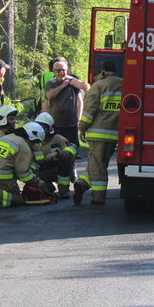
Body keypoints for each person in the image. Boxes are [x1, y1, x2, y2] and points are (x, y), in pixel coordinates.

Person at [73, 60, 123, 205]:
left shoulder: (98, 86)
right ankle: (82, 184)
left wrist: (82, 128)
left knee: (98, 166)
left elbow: (89, 111)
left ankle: (98, 198)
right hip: (115, 133)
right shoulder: (124, 84)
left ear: (102, 71)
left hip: (98, 134)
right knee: (99, 164)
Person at [0, 122, 52, 209]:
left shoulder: (9, 137)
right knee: (16, 199)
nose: (35, 145)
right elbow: (23, 174)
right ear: (32, 137)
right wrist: (37, 182)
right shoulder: (24, 145)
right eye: (36, 142)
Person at [44, 59, 89, 148]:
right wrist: (63, 85)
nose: (61, 73)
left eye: (63, 70)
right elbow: (49, 95)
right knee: (57, 148)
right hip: (56, 124)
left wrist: (89, 93)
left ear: (67, 70)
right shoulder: (51, 83)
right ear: (54, 71)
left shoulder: (72, 81)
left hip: (71, 125)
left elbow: (84, 85)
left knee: (71, 148)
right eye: (58, 70)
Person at [33, 112, 77, 199]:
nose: (41, 129)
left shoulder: (57, 138)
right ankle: (49, 187)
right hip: (43, 171)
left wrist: (58, 153)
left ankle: (63, 191)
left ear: (50, 128)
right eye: (39, 126)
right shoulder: (33, 142)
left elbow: (73, 149)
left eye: (44, 127)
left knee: (65, 163)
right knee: (45, 191)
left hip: (58, 169)